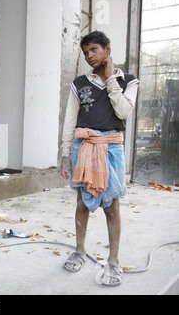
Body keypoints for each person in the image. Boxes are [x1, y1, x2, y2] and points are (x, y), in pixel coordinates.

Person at [60, 31, 139, 286]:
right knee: (82, 202)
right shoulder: (79, 83)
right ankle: (80, 250)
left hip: (111, 148)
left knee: (111, 206)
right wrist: (64, 153)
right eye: (85, 52)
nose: (89, 56)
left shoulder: (128, 81)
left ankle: (114, 262)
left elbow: (124, 111)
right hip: (83, 146)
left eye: (94, 49)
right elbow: (70, 119)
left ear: (107, 49)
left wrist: (110, 79)